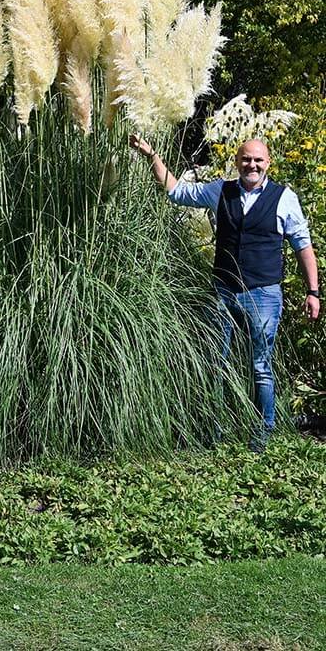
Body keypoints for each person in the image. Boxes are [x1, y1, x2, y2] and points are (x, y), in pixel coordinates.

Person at [129, 134, 319, 450]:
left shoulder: (284, 198)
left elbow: (303, 246)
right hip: (223, 291)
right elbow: (176, 191)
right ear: (236, 162)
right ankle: (212, 435)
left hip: (264, 293)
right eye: (246, 159)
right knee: (215, 363)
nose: (252, 165)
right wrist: (152, 156)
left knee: (261, 367)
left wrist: (313, 291)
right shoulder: (220, 190)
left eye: (258, 159)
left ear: (268, 162)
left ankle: (262, 435)